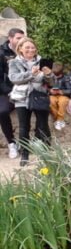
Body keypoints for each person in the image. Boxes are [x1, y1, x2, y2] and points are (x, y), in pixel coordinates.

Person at [7, 37, 51, 166]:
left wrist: (49, 75)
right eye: (27, 47)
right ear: (20, 49)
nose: (30, 50)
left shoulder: (42, 61)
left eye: (32, 47)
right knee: (24, 127)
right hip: (22, 98)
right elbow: (14, 78)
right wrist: (30, 74)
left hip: (39, 97)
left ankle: (45, 153)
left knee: (42, 125)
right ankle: (25, 154)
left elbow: (52, 82)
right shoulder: (14, 62)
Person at [0, 28, 25, 159]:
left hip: (25, 88)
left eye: (23, 38)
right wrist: (9, 92)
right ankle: (11, 143)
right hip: (7, 90)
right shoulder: (1, 52)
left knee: (36, 107)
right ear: (10, 38)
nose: (21, 41)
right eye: (18, 38)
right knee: (2, 111)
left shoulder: (26, 50)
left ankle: (26, 141)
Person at [47, 62, 71, 131]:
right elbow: (45, 87)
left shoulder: (66, 78)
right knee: (51, 101)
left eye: (59, 75)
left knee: (62, 102)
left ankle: (60, 119)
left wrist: (62, 92)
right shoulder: (50, 77)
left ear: (62, 72)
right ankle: (57, 119)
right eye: (55, 75)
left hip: (63, 95)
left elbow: (70, 90)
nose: (57, 77)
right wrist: (50, 90)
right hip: (53, 95)